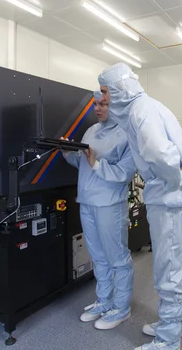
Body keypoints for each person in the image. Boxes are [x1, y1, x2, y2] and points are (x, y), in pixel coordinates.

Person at [97, 63, 182, 350]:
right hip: (173, 198)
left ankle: (168, 341)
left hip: (171, 200)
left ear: (120, 89)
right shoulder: (145, 107)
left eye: (105, 92)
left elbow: (160, 152)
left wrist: (170, 179)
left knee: (169, 271)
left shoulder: (139, 112)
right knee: (172, 266)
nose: (103, 99)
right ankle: (175, 324)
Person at [61, 90, 136, 330]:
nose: (98, 108)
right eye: (96, 104)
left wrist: (96, 163)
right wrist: (66, 151)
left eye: (103, 104)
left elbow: (124, 173)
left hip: (110, 204)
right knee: (98, 257)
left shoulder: (127, 135)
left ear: (117, 105)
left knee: (117, 258)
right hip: (87, 201)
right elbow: (82, 162)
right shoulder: (91, 131)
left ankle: (122, 308)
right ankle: (104, 301)